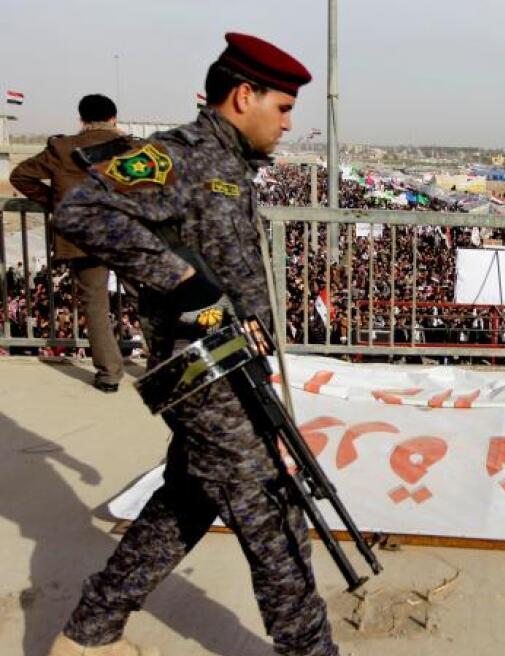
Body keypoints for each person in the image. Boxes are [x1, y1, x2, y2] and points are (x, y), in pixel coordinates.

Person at [47, 34, 337, 655]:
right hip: (200, 373)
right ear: (243, 95)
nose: (289, 122)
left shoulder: (230, 165)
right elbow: (80, 212)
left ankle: (92, 626)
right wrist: (179, 279)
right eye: (283, 107)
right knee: (272, 511)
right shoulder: (180, 157)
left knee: (187, 497)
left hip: (233, 366)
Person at [10, 94, 128, 392]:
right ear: (114, 119)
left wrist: (56, 202)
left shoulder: (62, 148)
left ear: (81, 120)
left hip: (83, 237)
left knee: (96, 305)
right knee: (149, 303)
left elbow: (20, 175)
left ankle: (110, 375)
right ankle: (162, 368)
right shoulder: (131, 147)